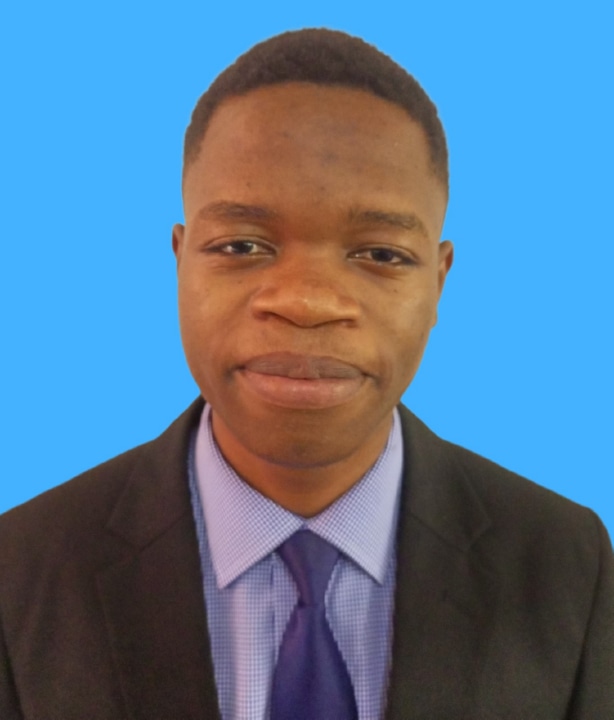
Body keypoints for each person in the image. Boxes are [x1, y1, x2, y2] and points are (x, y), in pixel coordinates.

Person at [0, 28, 612, 720]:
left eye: (381, 254)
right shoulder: (20, 569)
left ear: (439, 281)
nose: (306, 302)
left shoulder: (569, 563)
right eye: (241, 245)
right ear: (180, 258)